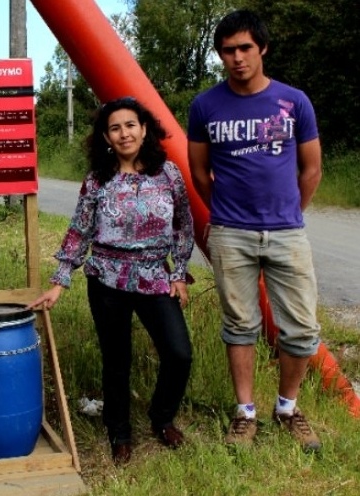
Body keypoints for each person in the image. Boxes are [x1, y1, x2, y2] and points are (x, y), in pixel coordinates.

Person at [29, 97, 194, 465]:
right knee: (116, 360)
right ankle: (119, 432)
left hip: (156, 277)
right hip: (107, 279)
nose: (124, 133)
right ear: (106, 136)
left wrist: (179, 272)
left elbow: (183, 224)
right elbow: (79, 231)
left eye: (130, 125)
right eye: (115, 128)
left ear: (144, 128)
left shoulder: (168, 174)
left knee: (179, 354)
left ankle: (161, 417)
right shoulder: (97, 181)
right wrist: (59, 281)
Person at [187, 10, 323, 452]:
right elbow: (199, 171)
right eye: (228, 51)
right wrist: (225, 215)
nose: (237, 58)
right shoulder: (205, 105)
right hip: (230, 232)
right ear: (220, 55)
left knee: (301, 328)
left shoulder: (294, 101)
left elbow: (312, 168)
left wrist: (289, 212)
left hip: (287, 232)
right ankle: (245, 414)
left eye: (245, 48)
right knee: (240, 325)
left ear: (262, 48)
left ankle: (287, 407)